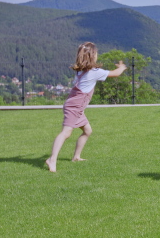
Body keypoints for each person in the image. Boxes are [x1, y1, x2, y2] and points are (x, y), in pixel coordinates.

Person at [45, 42, 127, 172]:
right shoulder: (94, 72)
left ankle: (76, 157)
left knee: (87, 131)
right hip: (74, 107)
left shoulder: (81, 71)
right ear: (92, 56)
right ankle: (52, 159)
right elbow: (115, 74)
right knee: (66, 133)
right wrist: (122, 67)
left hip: (77, 107)